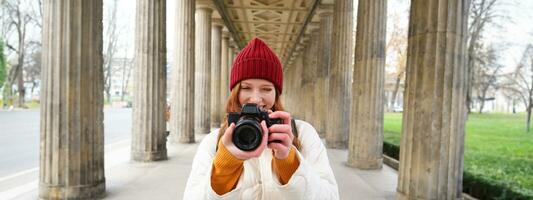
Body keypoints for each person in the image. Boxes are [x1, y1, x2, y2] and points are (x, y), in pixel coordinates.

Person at [183, 38, 339, 199]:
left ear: (276, 94)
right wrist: (226, 164)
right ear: (235, 92)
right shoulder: (214, 141)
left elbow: (331, 196)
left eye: (266, 89)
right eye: (246, 88)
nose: (256, 99)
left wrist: (289, 161)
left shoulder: (303, 133)